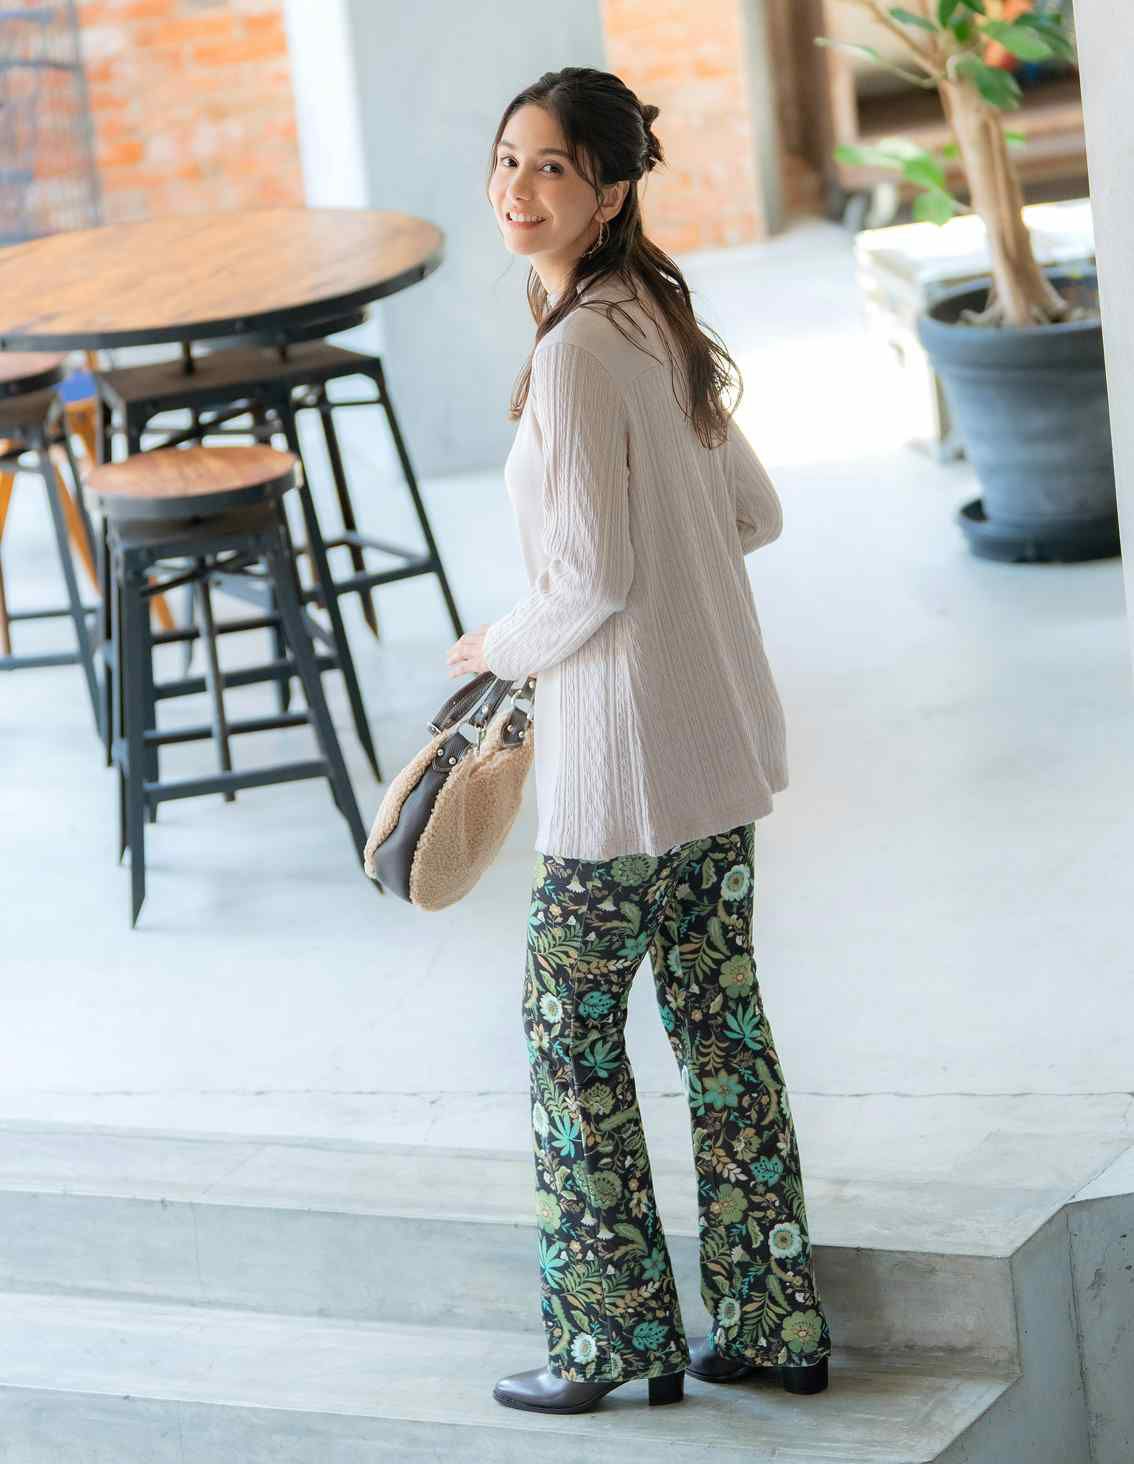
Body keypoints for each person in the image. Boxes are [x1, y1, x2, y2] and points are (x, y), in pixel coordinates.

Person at [445, 66, 833, 1416]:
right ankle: (772, 1324)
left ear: (608, 191)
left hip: (619, 780)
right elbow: (752, 513)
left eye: (550, 166)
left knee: (570, 1044)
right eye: (508, 159)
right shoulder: (656, 320)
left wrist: (494, 646)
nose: (518, 188)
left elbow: (590, 581)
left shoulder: (570, 357)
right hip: (716, 753)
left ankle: (610, 1344)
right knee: (722, 1032)